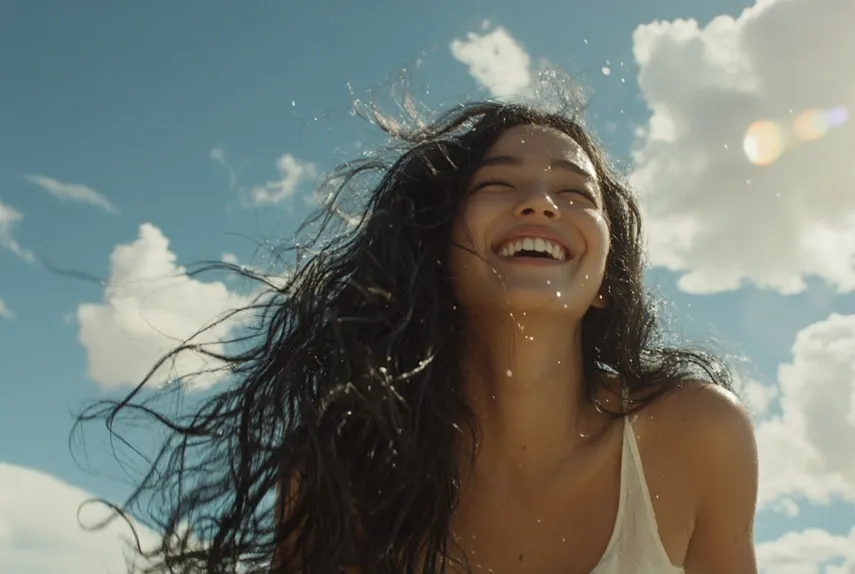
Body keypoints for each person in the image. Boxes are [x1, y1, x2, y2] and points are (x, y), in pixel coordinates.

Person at [75, 92, 758, 574]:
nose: (541, 202)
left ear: (607, 277)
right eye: (497, 184)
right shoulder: (346, 470)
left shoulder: (694, 438)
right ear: (437, 252)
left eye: (577, 195)